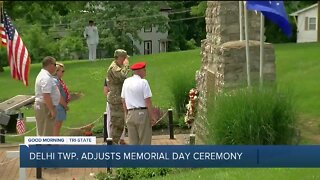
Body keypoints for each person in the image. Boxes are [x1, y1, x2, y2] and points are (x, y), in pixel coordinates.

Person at [121, 62, 157, 145]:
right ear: (140, 71)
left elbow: (123, 100)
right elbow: (147, 101)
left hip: (130, 113)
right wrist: (152, 116)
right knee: (145, 142)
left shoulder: (126, 82)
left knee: (133, 143)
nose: (145, 72)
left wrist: (126, 114)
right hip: (142, 114)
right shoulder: (143, 82)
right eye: (144, 70)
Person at [106, 49, 130, 144]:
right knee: (117, 123)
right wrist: (127, 65)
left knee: (119, 124)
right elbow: (122, 75)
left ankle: (114, 144)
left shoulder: (118, 66)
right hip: (115, 100)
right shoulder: (114, 68)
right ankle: (112, 146)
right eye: (124, 58)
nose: (125, 60)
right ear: (119, 58)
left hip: (119, 99)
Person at [34, 56, 60, 136]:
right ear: (50, 65)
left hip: (45, 106)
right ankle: (45, 148)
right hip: (45, 107)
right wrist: (52, 110)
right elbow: (46, 95)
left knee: (46, 131)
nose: (56, 67)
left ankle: (45, 147)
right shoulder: (45, 77)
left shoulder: (45, 75)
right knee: (46, 133)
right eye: (55, 64)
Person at [104, 78, 126, 144]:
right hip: (111, 102)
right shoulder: (108, 78)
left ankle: (121, 139)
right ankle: (110, 139)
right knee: (110, 120)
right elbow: (105, 91)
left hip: (120, 102)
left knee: (122, 119)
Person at [53, 62, 71, 136]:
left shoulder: (59, 80)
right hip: (58, 106)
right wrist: (65, 106)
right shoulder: (55, 81)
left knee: (58, 127)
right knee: (56, 127)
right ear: (56, 71)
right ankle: (55, 144)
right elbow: (58, 95)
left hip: (60, 106)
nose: (63, 73)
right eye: (62, 71)